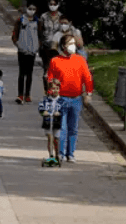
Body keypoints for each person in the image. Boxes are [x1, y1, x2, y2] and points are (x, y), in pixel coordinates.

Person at [47, 34, 94, 162]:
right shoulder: (55, 61)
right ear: (63, 46)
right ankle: (61, 153)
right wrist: (51, 93)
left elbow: (87, 78)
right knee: (62, 128)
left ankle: (71, 153)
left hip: (76, 99)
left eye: (74, 43)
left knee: (73, 128)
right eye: (70, 44)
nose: (73, 46)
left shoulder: (80, 60)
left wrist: (88, 93)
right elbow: (50, 79)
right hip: (60, 99)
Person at [12, 3, 41, 104]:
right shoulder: (20, 20)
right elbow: (14, 34)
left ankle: (27, 94)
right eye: (30, 8)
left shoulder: (38, 22)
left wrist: (37, 47)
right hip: (22, 51)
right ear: (26, 9)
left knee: (29, 73)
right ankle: (20, 94)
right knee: (22, 73)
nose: (31, 11)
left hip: (32, 52)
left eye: (33, 9)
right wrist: (19, 45)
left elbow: (40, 35)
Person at [38, 79, 68, 164]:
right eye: (53, 88)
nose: (55, 90)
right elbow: (40, 107)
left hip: (56, 122)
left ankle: (57, 154)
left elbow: (64, 109)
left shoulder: (62, 101)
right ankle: (51, 155)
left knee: (56, 139)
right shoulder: (45, 99)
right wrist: (43, 111)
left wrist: (60, 113)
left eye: (57, 88)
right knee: (50, 138)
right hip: (48, 122)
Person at [38, 0, 63, 70]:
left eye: (54, 4)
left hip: (57, 47)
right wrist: (41, 43)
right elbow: (40, 30)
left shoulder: (61, 17)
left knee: (56, 68)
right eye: (51, 4)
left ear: (58, 5)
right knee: (47, 68)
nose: (52, 6)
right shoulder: (43, 16)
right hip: (46, 46)